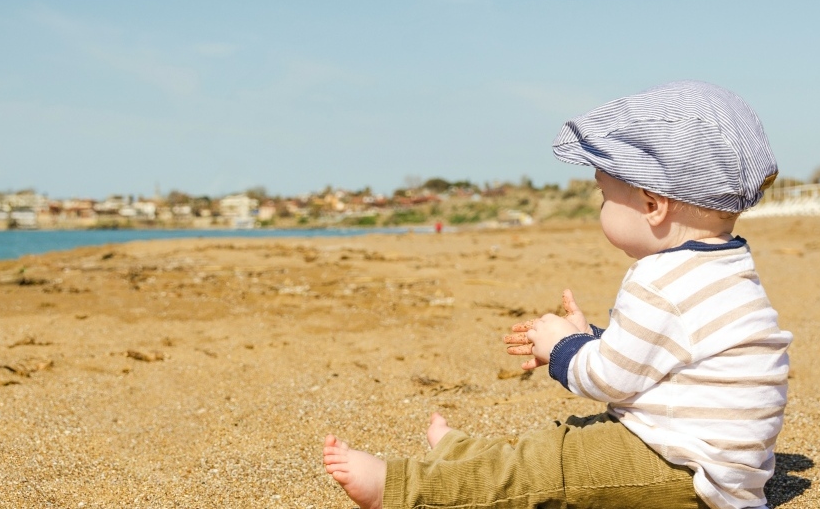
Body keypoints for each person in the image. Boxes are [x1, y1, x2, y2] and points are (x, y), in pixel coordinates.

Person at [323, 80, 792, 509]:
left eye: (606, 194)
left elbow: (611, 380)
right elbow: (664, 356)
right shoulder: (727, 265)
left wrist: (562, 349)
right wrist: (592, 336)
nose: (602, 206)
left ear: (652, 205)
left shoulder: (659, 278)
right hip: (716, 465)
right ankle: (464, 454)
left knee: (550, 467)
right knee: (564, 442)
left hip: (679, 469)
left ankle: (403, 488)